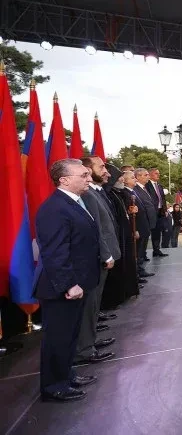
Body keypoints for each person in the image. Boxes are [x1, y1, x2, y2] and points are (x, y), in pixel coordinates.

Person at [33, 159, 102, 402]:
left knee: (70, 336)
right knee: (58, 338)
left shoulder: (72, 203)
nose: (89, 178)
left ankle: (67, 375)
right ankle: (54, 386)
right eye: (83, 175)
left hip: (77, 283)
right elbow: (54, 252)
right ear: (64, 180)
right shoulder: (54, 209)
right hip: (61, 287)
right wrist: (69, 284)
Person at [74, 156, 119, 365]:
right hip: (97, 257)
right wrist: (106, 253)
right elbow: (96, 229)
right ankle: (84, 349)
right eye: (101, 167)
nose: (106, 171)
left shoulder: (94, 192)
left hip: (101, 255)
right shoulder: (88, 195)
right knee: (88, 307)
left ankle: (89, 342)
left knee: (93, 305)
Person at [102, 165, 139, 308]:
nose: (122, 180)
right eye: (119, 178)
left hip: (124, 233)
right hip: (117, 236)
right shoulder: (109, 194)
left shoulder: (118, 193)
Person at [133, 168, 158, 276]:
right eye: (146, 175)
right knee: (139, 249)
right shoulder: (136, 189)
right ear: (138, 177)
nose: (148, 177)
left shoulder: (144, 188)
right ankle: (139, 270)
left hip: (147, 222)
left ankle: (140, 269)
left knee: (142, 248)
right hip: (142, 223)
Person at [145, 168, 169, 258]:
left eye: (158, 173)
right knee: (151, 232)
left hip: (160, 212)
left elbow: (163, 199)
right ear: (150, 174)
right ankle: (143, 254)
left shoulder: (159, 186)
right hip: (152, 212)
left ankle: (156, 250)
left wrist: (165, 210)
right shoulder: (147, 185)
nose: (158, 175)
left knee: (158, 231)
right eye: (156, 173)